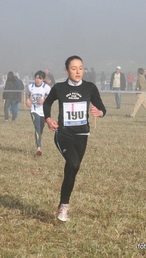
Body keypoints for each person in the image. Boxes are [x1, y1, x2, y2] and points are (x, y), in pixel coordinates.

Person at [43, 55, 106, 222]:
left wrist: (98, 112)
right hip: (63, 133)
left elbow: (102, 108)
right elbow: (47, 103)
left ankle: (63, 204)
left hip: (82, 134)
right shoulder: (59, 88)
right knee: (73, 163)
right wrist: (48, 119)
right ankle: (64, 207)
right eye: (73, 68)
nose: (78, 72)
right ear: (67, 70)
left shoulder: (90, 88)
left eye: (80, 68)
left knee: (72, 169)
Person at [25, 70, 51, 156]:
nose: (38, 80)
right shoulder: (30, 86)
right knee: (37, 128)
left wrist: (44, 100)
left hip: (43, 111)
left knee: (41, 129)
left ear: (43, 79)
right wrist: (27, 100)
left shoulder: (46, 87)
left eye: (40, 78)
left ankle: (38, 140)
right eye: (36, 78)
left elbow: (50, 98)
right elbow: (27, 94)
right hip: (34, 110)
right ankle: (38, 148)